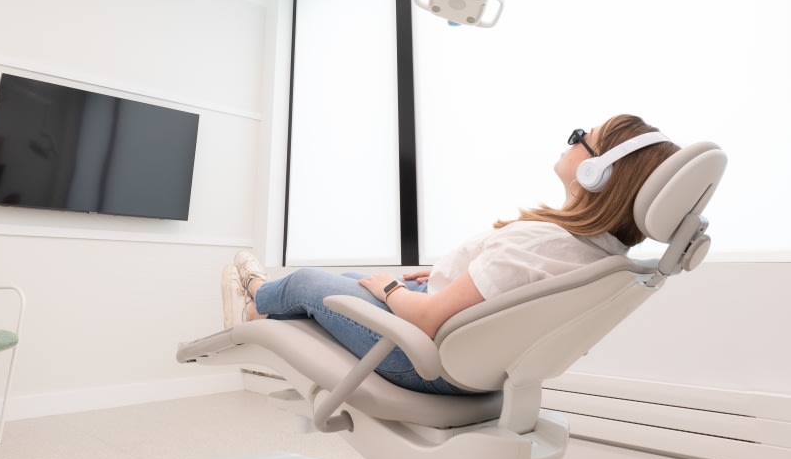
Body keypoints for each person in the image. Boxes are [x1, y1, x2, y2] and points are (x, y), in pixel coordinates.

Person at [222, 114, 679, 394]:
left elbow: (428, 321)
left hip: (421, 360)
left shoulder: (542, 243)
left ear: (599, 171)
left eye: (581, 136)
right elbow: (508, 300)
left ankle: (251, 299)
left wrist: (392, 288)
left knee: (307, 282)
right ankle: (263, 317)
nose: (572, 139)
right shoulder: (601, 258)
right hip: (480, 372)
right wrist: (451, 278)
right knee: (347, 279)